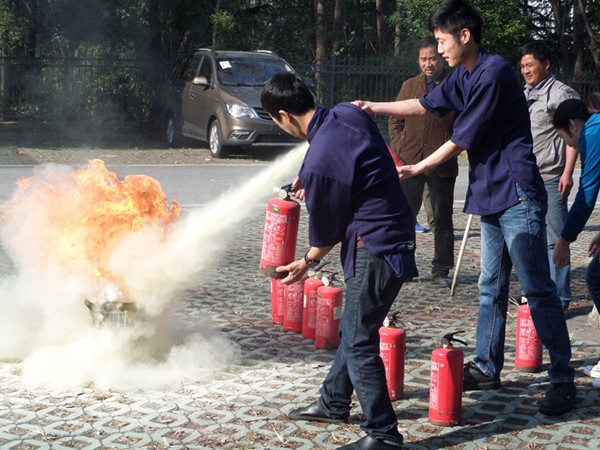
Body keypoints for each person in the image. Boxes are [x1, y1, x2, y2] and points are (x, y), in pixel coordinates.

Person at [354, 0, 575, 416]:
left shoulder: (492, 73)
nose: (438, 51)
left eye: (442, 41)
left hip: (518, 194)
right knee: (490, 285)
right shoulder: (465, 74)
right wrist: (373, 107)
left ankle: (562, 379)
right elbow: (425, 104)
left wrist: (419, 165)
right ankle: (488, 365)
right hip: (490, 194)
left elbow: (464, 136)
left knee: (538, 290)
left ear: (465, 36)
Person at [261, 73, 418, 450]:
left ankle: (383, 434)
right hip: (396, 231)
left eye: (274, 121)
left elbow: (327, 230)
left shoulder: (319, 160)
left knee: (359, 338)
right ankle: (333, 402)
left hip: (376, 245)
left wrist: (306, 262)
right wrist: (316, 178)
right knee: (355, 329)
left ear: (283, 115)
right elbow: (355, 157)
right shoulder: (347, 113)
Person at [388, 35, 458, 287]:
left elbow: (465, 123)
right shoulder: (409, 86)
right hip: (408, 162)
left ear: (442, 58)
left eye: (432, 58)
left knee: (441, 219)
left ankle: (441, 270)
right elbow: (395, 119)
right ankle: (404, 266)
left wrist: (450, 144)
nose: (428, 63)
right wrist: (400, 143)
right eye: (423, 59)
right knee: (405, 215)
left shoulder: (455, 85)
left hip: (442, 164)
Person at [520, 41, 580, 311]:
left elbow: (573, 137)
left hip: (553, 177)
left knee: (556, 241)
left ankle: (561, 299)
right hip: (526, 178)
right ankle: (535, 293)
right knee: (529, 238)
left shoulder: (561, 94)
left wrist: (567, 172)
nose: (525, 70)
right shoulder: (524, 92)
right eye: (522, 66)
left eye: (530, 64)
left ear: (546, 64)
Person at [550, 98, 600, 383]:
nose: (570, 144)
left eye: (565, 138)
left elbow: (586, 195)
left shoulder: (593, 133)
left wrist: (565, 240)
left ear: (573, 125)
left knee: (596, 276)